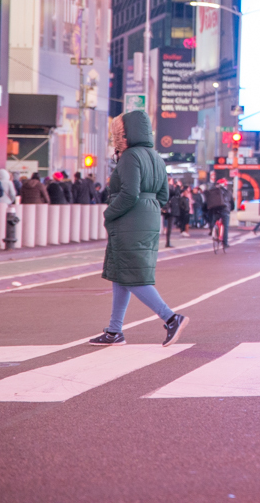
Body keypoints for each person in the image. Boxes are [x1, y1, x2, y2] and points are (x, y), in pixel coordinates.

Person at [90, 111, 188, 347]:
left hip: (129, 220)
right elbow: (163, 196)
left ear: (125, 133)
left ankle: (171, 318)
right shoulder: (156, 158)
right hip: (149, 219)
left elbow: (129, 193)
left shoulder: (130, 156)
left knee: (132, 276)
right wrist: (149, 208)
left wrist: (109, 213)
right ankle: (114, 331)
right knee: (122, 273)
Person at [203, 179, 234, 248]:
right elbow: (232, 203)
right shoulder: (228, 192)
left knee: (213, 220)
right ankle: (225, 243)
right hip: (225, 210)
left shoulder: (212, 191)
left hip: (214, 210)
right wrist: (231, 209)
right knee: (225, 226)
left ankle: (213, 230)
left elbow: (206, 202)